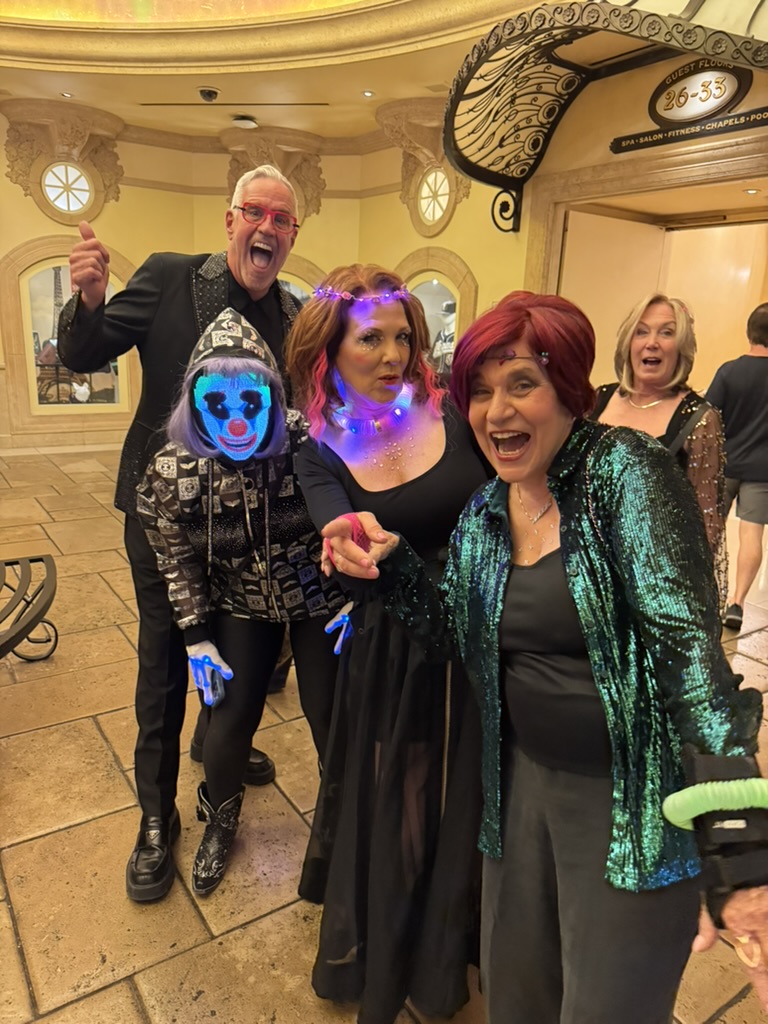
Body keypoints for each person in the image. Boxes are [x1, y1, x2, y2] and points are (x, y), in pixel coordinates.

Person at [323, 291, 768, 1024]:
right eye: (481, 391)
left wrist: (741, 856)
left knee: (605, 1008)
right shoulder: (487, 510)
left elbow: (691, 660)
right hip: (518, 793)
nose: (497, 412)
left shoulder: (624, 473)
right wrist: (393, 565)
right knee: (517, 999)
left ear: (567, 388)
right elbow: (453, 637)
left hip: (626, 804)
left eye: (521, 384)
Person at [57, 164, 304, 902]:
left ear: (292, 236)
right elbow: (82, 353)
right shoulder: (169, 277)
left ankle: (215, 744)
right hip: (163, 514)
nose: (266, 227)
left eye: (281, 219)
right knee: (167, 656)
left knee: (235, 646)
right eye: (253, 211)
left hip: (250, 526)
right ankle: (157, 818)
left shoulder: (292, 315)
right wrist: (89, 300)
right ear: (230, 220)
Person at [284, 265, 490, 1024]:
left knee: (474, 795)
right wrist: (348, 547)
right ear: (330, 349)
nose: (394, 352)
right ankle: (407, 957)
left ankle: (463, 939)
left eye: (404, 334)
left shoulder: (455, 411)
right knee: (406, 807)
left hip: (487, 629)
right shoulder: (319, 448)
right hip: (399, 650)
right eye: (372, 337)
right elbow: (339, 529)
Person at [136, 308, 343, 894]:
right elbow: (174, 559)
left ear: (274, 402)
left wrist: (359, 595)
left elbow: (356, 510)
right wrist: (197, 635)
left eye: (250, 403)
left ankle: (339, 826)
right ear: (194, 402)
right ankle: (220, 819)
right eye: (216, 403)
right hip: (240, 604)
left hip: (319, 597)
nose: (234, 420)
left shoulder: (313, 440)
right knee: (228, 722)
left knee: (333, 716)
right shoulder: (172, 473)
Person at [591, 293, 727, 606]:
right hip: (588, 577)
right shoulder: (598, 399)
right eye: (642, 331)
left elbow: (707, 525)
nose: (652, 342)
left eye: (666, 332)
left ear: (681, 347)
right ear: (628, 342)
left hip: (654, 586)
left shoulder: (699, 419)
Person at [707, 302, 768, 631]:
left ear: (749, 332)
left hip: (724, 463)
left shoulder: (729, 371)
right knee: (751, 536)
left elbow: (708, 417)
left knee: (709, 531)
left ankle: (703, 594)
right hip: (763, 471)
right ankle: (737, 603)